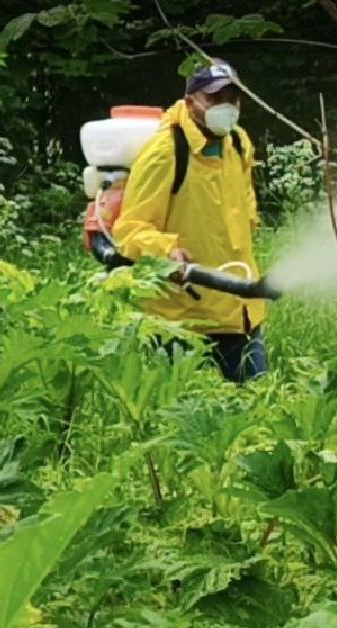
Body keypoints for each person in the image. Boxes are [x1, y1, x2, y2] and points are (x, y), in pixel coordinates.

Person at [111, 59, 268, 385]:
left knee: (259, 412)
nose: (226, 107)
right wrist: (167, 251)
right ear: (190, 102)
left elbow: (245, 209)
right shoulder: (166, 152)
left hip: (240, 311)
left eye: (233, 98)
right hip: (180, 318)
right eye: (215, 98)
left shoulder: (238, 143)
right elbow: (131, 228)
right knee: (178, 422)